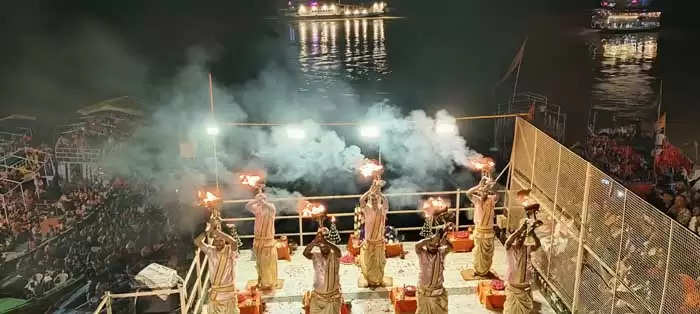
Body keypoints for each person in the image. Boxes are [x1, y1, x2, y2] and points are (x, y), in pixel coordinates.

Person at [194, 222, 240, 314]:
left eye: (221, 240)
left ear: (225, 240)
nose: (218, 243)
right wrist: (208, 231)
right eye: (216, 241)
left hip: (228, 295)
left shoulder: (230, 251)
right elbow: (197, 242)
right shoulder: (211, 251)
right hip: (215, 295)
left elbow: (234, 242)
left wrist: (216, 232)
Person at [503, 218, 541, 314]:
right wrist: (519, 230)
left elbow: (538, 245)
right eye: (518, 237)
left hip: (523, 284)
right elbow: (508, 242)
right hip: (513, 285)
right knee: (511, 309)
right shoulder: (510, 248)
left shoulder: (527, 248)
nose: (520, 239)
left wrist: (533, 234)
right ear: (515, 239)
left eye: (522, 238)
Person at [414, 223, 453, 314]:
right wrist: (431, 238)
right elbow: (417, 245)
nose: (434, 247)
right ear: (426, 245)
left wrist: (444, 240)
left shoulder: (441, 253)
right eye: (431, 245)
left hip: (438, 294)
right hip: (424, 294)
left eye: (436, 245)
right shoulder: (422, 253)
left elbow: (450, 248)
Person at [465, 175, 498, 278]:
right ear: (480, 193)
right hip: (479, 232)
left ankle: (485, 270)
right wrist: (479, 185)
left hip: (489, 232)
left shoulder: (491, 200)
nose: (484, 193)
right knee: (478, 253)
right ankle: (478, 270)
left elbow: (498, 195)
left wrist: (491, 186)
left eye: (486, 192)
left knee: (488, 254)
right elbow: (468, 193)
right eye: (482, 192)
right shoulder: (477, 200)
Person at [358, 178, 389, 287]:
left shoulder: (382, 210)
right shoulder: (367, 209)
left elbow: (386, 201)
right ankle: (368, 279)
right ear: (370, 200)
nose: (375, 202)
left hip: (379, 242)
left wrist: (380, 193)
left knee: (380, 263)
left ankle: (378, 279)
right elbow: (361, 200)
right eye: (373, 200)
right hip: (369, 241)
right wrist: (370, 191)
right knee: (368, 263)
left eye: (376, 200)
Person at [303, 229, 342, 314]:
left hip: (332, 298)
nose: (323, 247)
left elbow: (339, 252)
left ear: (329, 245)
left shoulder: (334, 256)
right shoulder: (316, 256)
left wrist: (326, 242)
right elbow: (305, 253)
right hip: (317, 298)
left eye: (325, 245)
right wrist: (314, 242)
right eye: (321, 246)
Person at [246, 191, 278, 290]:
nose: (261, 200)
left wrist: (262, 201)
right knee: (259, 263)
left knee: (267, 263)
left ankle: (268, 283)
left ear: (266, 199)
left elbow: (271, 207)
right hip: (258, 240)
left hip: (268, 241)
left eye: (263, 198)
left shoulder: (271, 208)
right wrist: (256, 200)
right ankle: (260, 280)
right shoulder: (257, 209)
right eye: (260, 199)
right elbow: (247, 206)